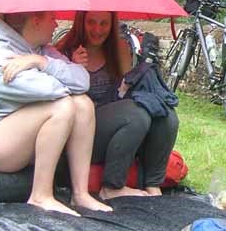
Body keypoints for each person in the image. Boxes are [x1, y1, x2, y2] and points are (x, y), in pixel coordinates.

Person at [0, 10, 107, 217]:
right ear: (36, 21)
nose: (56, 24)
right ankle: (40, 195)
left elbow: (82, 81)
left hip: (16, 130)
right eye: (51, 18)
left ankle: (80, 194)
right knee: (62, 106)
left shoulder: (40, 50)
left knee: (83, 103)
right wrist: (56, 69)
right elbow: (50, 90)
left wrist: (41, 62)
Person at [55, 11, 180, 199]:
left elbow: (127, 88)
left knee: (166, 115)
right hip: (81, 133)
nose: (97, 30)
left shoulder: (119, 48)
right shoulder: (64, 50)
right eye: (91, 22)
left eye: (104, 23)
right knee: (135, 115)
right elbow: (58, 100)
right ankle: (112, 187)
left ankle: (153, 184)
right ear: (81, 23)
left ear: (112, 25)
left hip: (114, 123)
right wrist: (72, 68)